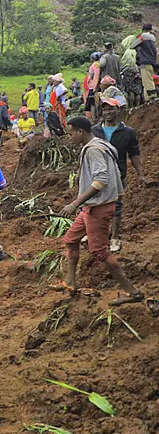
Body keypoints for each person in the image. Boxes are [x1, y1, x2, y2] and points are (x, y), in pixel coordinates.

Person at [57, 116, 143, 306]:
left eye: (71, 132)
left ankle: (132, 292)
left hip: (98, 207)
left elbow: (100, 181)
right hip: (92, 206)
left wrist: (74, 203)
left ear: (80, 132)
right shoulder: (99, 144)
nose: (69, 137)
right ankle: (70, 282)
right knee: (71, 240)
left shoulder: (94, 151)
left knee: (99, 251)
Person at [91, 99, 146, 253]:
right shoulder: (95, 131)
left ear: (118, 110)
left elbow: (134, 153)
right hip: (97, 174)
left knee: (116, 206)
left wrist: (140, 174)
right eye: (105, 110)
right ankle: (97, 234)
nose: (108, 113)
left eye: (111, 109)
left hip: (118, 174)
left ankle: (114, 237)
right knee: (95, 204)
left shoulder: (127, 132)